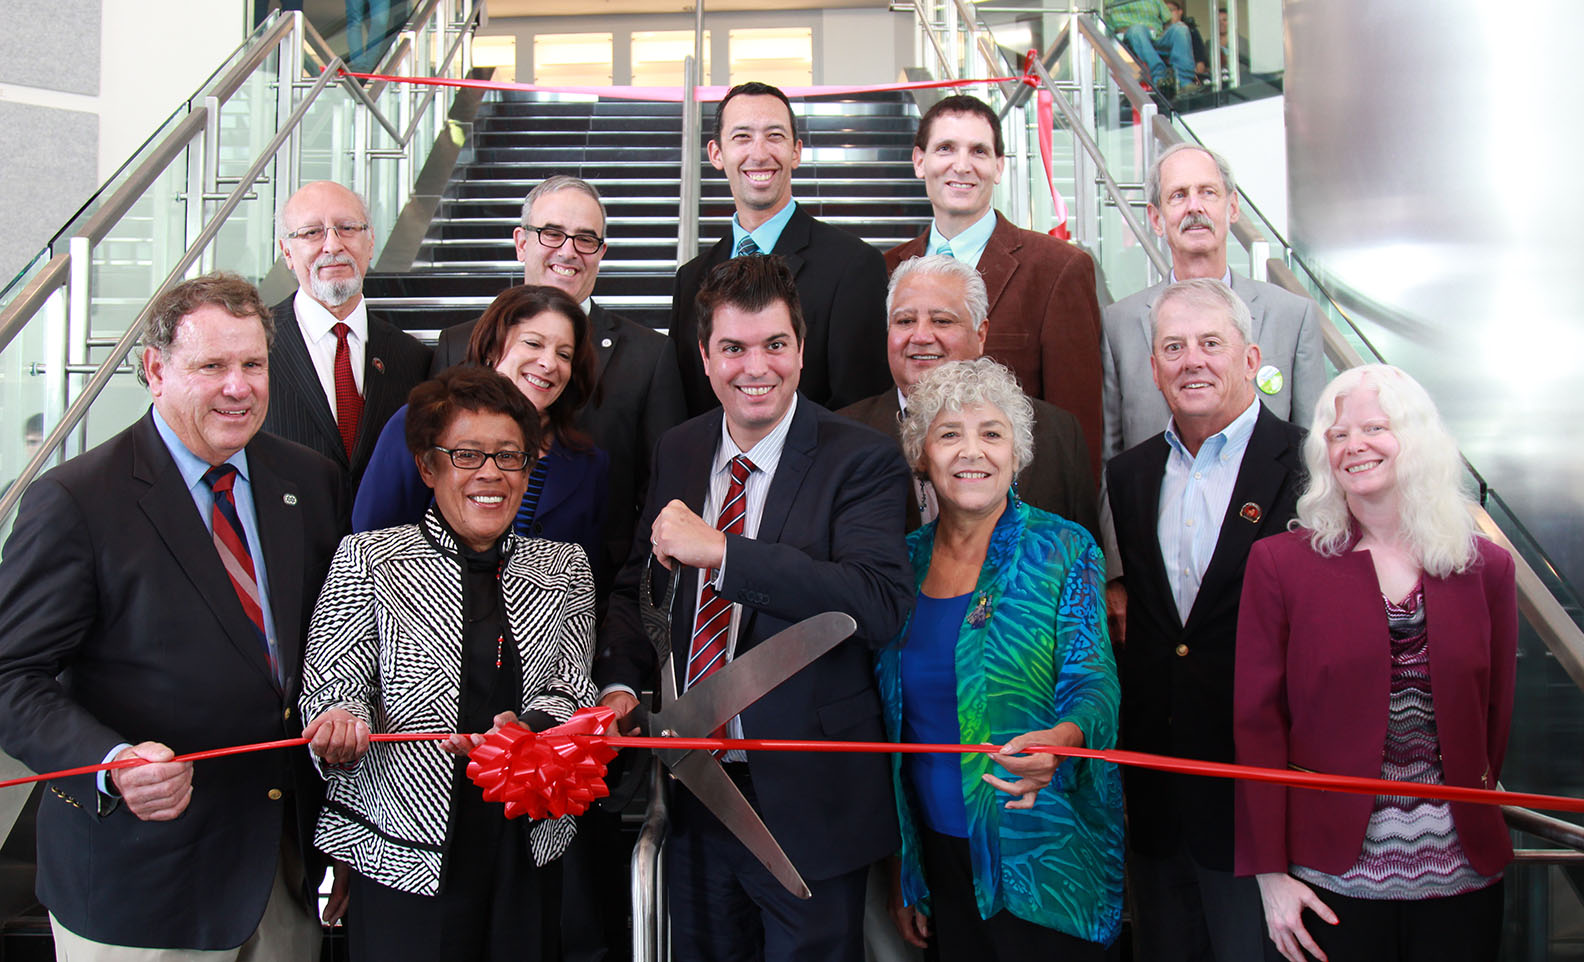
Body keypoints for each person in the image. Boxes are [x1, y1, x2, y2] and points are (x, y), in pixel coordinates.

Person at [0, 272, 344, 958]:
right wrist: (110, 759)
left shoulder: (308, 479)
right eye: (211, 365)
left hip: (280, 875)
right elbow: (10, 675)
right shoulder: (75, 501)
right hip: (143, 884)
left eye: (252, 364)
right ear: (156, 370)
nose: (239, 386)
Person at [595, 254, 913, 962]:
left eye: (775, 345)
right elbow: (636, 587)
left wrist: (727, 555)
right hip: (695, 791)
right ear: (704, 359)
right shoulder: (679, 448)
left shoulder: (860, 458)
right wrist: (619, 683)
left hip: (811, 800)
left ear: (800, 352)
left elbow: (880, 605)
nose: (755, 368)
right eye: (733, 349)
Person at [300, 365, 598, 962]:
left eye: (509, 456)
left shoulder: (563, 567)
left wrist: (529, 733)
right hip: (399, 857)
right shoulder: (370, 558)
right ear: (428, 467)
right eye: (467, 454)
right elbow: (333, 683)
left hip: (526, 843)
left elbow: (571, 690)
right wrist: (339, 721)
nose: (490, 473)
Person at [1236, 364, 1517, 962]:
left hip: (1463, 880)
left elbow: (1495, 716)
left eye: (1375, 428)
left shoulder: (1486, 568)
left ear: (1414, 440)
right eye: (1337, 435)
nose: (1354, 446)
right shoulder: (1280, 565)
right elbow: (1257, 727)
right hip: (1329, 885)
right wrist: (1269, 875)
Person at [877, 358, 1123, 961]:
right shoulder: (896, 565)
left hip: (1043, 851)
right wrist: (904, 871)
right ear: (922, 456)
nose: (972, 451)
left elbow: (1095, 685)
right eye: (949, 433)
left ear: (1017, 454)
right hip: (936, 853)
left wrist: (1061, 740)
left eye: (992, 433)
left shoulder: (1063, 549)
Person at [1104, 277, 1306, 961]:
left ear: (1250, 359)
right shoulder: (1128, 476)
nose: (1192, 360)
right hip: (1158, 798)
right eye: (1174, 347)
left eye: (1210, 344)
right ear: (1154, 368)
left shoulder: (1310, 468)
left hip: (1264, 803)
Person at [430, 175, 687, 592]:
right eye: (551, 233)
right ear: (521, 242)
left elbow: (663, 496)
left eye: (586, 239)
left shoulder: (650, 356)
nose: (568, 251)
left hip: (593, 601)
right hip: (452, 597)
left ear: (601, 253)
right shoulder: (456, 345)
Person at [885, 95, 1106, 477]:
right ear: (920, 161)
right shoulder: (886, 269)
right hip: (902, 502)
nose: (962, 165)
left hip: (1017, 508)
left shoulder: (1059, 269)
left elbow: (1077, 427)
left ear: (999, 166)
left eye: (979, 151)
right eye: (946, 149)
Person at [354, 285, 607, 581]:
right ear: (491, 349)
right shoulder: (423, 421)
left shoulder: (588, 462)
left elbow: (586, 580)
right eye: (533, 344)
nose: (549, 363)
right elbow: (371, 542)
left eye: (564, 354)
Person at [668, 81, 891, 417]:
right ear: (717, 153)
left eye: (774, 136)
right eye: (742, 137)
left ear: (796, 151)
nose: (759, 153)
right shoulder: (691, 279)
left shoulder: (855, 266)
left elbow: (861, 409)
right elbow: (686, 404)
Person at [840, 254, 1098, 540]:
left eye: (941, 321)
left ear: (981, 334)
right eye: (905, 321)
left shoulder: (1058, 435)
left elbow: (1090, 562)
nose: (921, 335)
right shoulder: (842, 438)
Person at [1102, 143, 1323, 462]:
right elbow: (1111, 457)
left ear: (1232, 207)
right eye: (1178, 195)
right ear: (1156, 218)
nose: (1195, 207)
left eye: (1208, 192)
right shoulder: (1117, 324)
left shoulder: (1292, 316)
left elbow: (1312, 453)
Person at [263, 180, 431, 503]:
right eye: (312, 232)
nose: (333, 245)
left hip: (387, 550)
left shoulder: (414, 358)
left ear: (370, 243)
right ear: (287, 251)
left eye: (347, 228)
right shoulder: (254, 347)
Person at [1105, 0, 1196, 97]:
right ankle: (1160, 78)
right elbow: (1107, 28)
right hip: (1130, 40)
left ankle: (1184, 82)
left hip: (1156, 36)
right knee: (1138, 30)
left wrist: (1166, 32)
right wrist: (1126, 29)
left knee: (1181, 28)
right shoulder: (1109, 2)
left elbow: (1168, 21)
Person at [1165, 0, 1210, 82]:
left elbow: (1200, 63)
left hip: (1188, 78)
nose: (1167, 13)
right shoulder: (1157, 34)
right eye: (1164, 10)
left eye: (1171, 10)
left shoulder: (1191, 31)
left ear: (1180, 12)